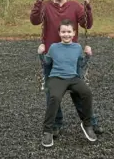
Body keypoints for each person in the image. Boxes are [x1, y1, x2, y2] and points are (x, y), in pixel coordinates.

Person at [30, 0, 103, 137]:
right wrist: (38, 2)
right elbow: (35, 21)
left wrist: (88, 6)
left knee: (79, 92)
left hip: (72, 56)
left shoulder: (75, 6)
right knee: (52, 94)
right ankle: (56, 124)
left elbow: (87, 24)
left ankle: (90, 121)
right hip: (51, 56)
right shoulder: (46, 6)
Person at [38, 19, 97, 147]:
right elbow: (46, 63)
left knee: (87, 93)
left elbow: (80, 64)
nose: (66, 34)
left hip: (73, 78)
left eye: (69, 32)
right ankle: (47, 131)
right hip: (57, 78)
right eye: (63, 32)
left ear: (74, 33)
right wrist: (40, 54)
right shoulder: (54, 47)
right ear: (59, 33)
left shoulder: (77, 47)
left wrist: (88, 55)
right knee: (54, 97)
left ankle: (87, 124)